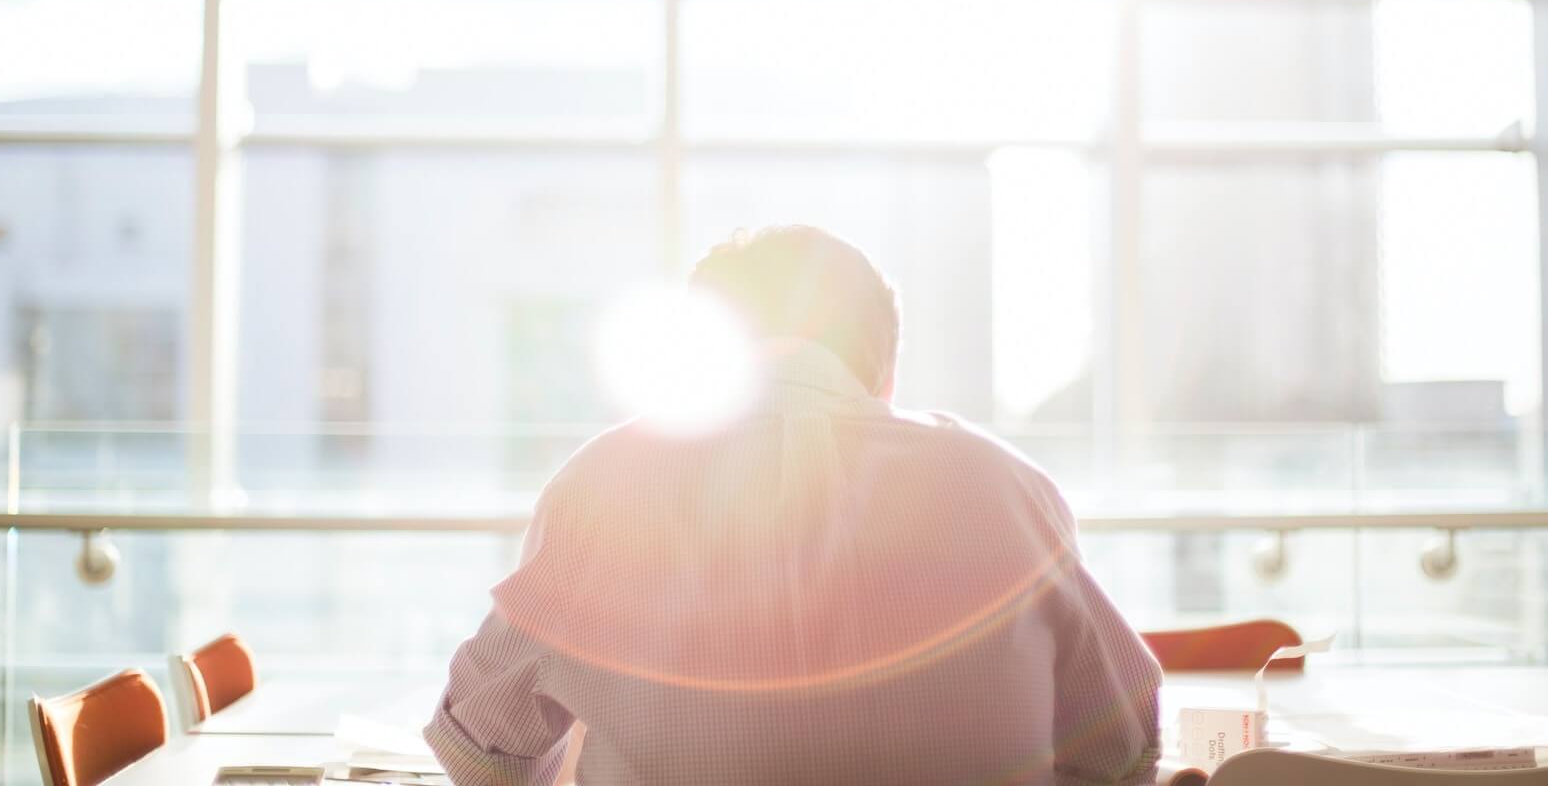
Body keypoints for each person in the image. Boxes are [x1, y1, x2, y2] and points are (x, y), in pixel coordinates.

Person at [425, 225, 1161, 785]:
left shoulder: (607, 481)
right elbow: (1122, 747)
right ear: (885, 368)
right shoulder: (1006, 487)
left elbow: (481, 749)